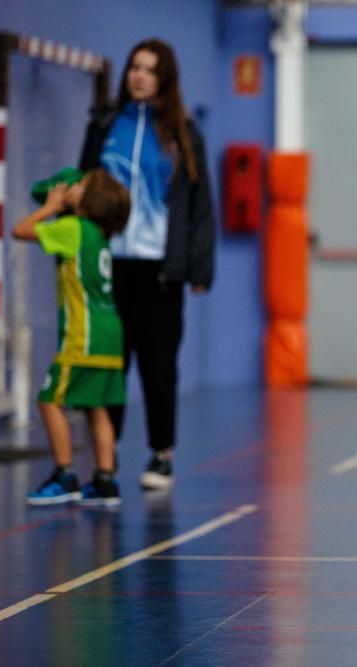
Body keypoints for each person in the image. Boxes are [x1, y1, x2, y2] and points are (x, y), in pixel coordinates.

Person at [78, 38, 215, 490]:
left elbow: (199, 206)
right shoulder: (104, 124)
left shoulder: (183, 135)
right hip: (109, 263)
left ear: (164, 79)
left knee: (158, 365)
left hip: (159, 269)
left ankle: (161, 454)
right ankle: (106, 452)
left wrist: (198, 269)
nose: (139, 75)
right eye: (134, 67)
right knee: (109, 362)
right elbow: (81, 187)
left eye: (149, 69)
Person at [13, 169, 131, 506]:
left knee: (49, 399)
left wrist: (50, 207)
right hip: (111, 332)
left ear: (91, 200)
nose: (72, 185)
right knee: (96, 406)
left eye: (80, 185)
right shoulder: (99, 234)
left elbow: (20, 231)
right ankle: (105, 480)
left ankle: (65, 475)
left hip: (84, 333)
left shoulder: (74, 229)